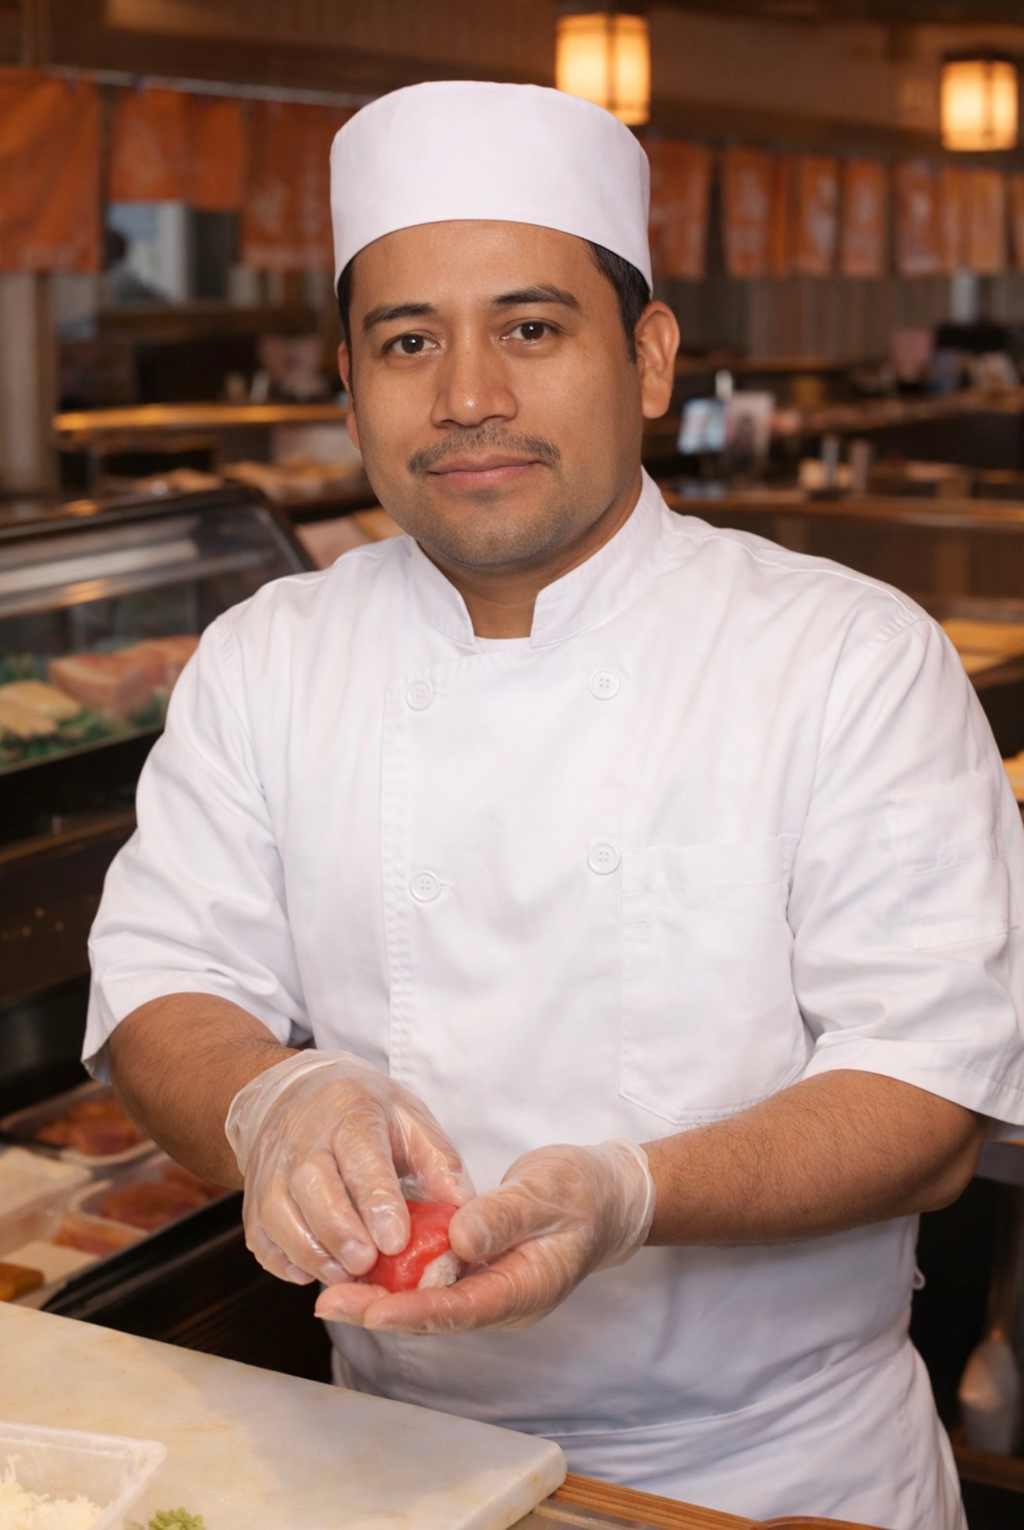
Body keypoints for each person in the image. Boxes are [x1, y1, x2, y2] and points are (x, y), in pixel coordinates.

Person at [86, 81, 1024, 1529]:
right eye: (410, 340)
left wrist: (629, 1192)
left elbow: (929, 1095)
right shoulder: (272, 654)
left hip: (771, 1470)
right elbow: (162, 982)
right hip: (382, 1456)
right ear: (347, 382)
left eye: (531, 327)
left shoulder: (845, 656)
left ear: (648, 357)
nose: (469, 395)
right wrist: (274, 1098)